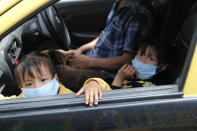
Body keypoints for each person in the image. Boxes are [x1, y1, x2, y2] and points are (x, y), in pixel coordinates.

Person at [54, 0, 157, 92]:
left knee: (51, 71)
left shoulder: (137, 14)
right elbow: (106, 34)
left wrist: (88, 62)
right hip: (91, 59)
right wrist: (80, 50)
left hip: (104, 74)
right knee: (52, 55)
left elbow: (128, 59)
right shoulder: (119, 3)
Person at [76, 39, 169, 106]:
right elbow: (106, 83)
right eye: (140, 54)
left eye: (150, 58)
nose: (141, 60)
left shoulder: (150, 89)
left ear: (162, 67)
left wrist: (119, 78)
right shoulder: (131, 77)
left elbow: (113, 105)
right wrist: (94, 83)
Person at [0, 52, 111, 106]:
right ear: (21, 87)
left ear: (56, 78)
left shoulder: (68, 97)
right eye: (29, 84)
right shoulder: (21, 99)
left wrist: (94, 83)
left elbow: (105, 91)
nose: (38, 88)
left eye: (43, 80)